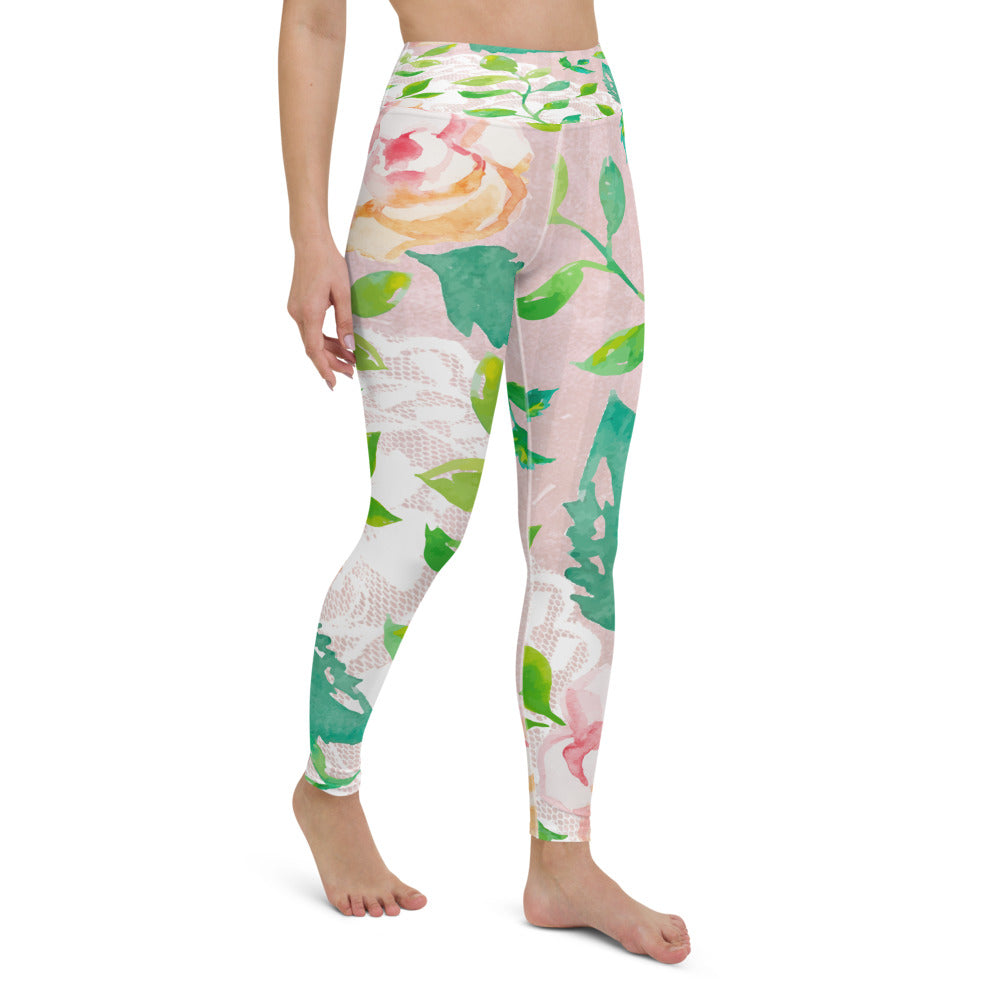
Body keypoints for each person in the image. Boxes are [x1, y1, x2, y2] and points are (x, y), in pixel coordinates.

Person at [278, 0, 691, 963]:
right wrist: (308, 235)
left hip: (588, 137)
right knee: (417, 523)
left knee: (580, 536)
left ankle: (563, 859)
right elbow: (314, 21)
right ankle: (327, 787)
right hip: (440, 134)